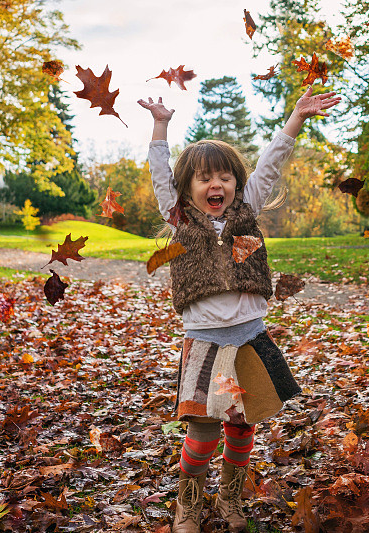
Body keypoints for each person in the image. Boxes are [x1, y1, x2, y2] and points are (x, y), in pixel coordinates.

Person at [138, 87, 341, 533]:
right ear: (187, 188)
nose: (217, 185)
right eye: (205, 178)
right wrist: (160, 125)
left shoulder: (246, 212)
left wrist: (297, 117)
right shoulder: (180, 219)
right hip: (206, 342)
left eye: (226, 177)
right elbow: (158, 174)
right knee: (204, 431)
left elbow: (271, 160)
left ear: (237, 184)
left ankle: (230, 497)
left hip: (249, 337)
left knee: (243, 427)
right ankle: (188, 504)